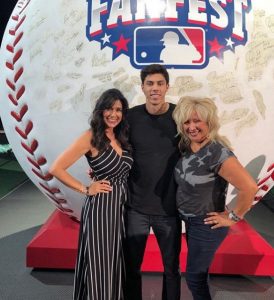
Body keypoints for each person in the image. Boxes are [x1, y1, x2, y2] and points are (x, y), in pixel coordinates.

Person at [49, 88, 133, 300]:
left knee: (117, 260)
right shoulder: (90, 137)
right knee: (101, 262)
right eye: (108, 109)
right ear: (100, 110)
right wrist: (86, 189)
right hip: (101, 209)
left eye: (118, 109)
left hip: (123, 207)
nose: (113, 114)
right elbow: (56, 168)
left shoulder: (122, 136)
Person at [172, 96, 258, 300]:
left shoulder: (217, 152)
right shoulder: (187, 147)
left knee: (195, 277)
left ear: (209, 122)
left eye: (197, 121)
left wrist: (233, 217)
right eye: (187, 122)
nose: (192, 127)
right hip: (190, 222)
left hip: (206, 225)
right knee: (199, 275)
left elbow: (249, 187)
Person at [125, 64, 182, 300]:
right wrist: (99, 171)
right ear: (143, 87)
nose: (155, 88)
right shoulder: (130, 117)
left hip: (169, 211)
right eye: (150, 84)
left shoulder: (180, 116)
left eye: (160, 83)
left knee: (171, 271)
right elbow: (116, 148)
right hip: (135, 208)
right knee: (131, 269)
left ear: (167, 87)